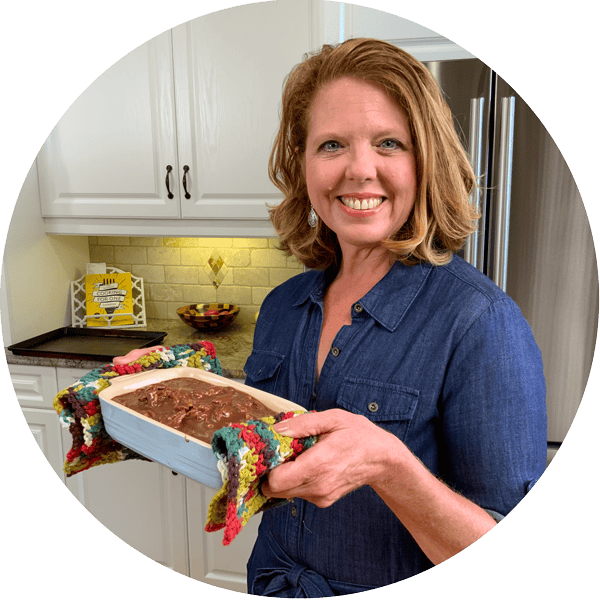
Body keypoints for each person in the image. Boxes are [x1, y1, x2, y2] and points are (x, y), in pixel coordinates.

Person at [241, 38, 547, 596]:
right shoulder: (283, 307)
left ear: (424, 161)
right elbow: (249, 454)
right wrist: (156, 387)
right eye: (331, 144)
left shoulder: (481, 325)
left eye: (389, 143)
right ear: (302, 164)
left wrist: (388, 466)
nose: (360, 170)